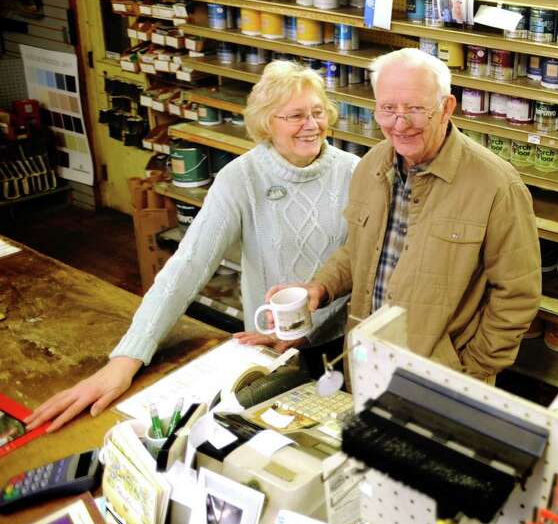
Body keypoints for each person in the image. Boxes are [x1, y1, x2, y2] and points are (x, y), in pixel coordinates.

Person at [27, 61, 360, 432]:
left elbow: (364, 265)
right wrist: (127, 357)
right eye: (296, 115)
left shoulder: (355, 172)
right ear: (267, 122)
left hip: (340, 345)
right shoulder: (241, 178)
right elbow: (188, 265)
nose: (311, 125)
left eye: (318, 112)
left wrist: (317, 331)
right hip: (268, 345)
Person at [271, 48, 540, 381]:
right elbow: (359, 250)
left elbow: (517, 295)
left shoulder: (497, 187)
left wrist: (468, 369)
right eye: (387, 109)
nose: (400, 124)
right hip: (364, 363)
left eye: (415, 109)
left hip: (441, 379)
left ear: (446, 108)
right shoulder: (371, 166)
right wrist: (321, 288)